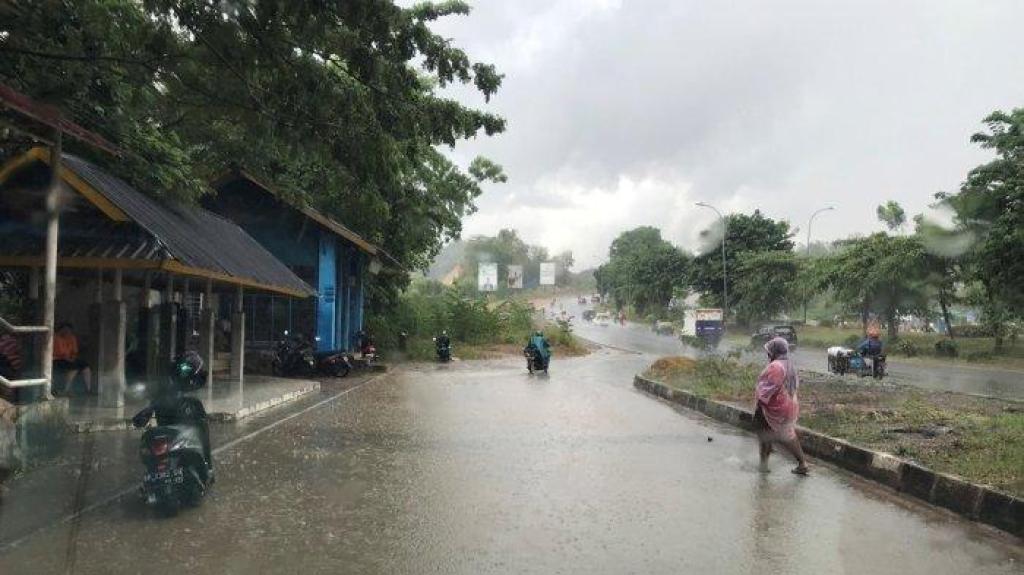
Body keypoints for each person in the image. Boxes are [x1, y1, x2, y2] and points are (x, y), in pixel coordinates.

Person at [753, 337, 809, 475]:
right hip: (790, 403)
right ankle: (802, 463)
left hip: (776, 406)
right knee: (788, 433)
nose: (768, 354)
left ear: (774, 352)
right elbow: (794, 385)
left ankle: (763, 465)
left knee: (764, 432)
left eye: (769, 351)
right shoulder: (789, 364)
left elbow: (767, 389)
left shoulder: (775, 366)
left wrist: (759, 405)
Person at [53, 322, 92, 395]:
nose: (67, 332)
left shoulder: (72, 337)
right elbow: (61, 352)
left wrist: (72, 357)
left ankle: (88, 389)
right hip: (57, 359)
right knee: (74, 367)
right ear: (60, 330)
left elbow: (75, 351)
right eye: (65, 330)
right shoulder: (56, 337)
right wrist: (69, 358)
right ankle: (66, 389)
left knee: (85, 366)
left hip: (69, 358)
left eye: (68, 330)